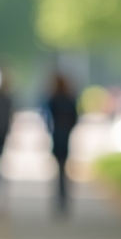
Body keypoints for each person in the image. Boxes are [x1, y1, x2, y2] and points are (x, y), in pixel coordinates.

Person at [44, 74, 79, 211]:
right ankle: (63, 195)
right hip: (65, 137)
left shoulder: (53, 99)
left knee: (59, 168)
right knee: (63, 168)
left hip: (57, 137)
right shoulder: (70, 99)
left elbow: (47, 117)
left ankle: (60, 195)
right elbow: (75, 117)